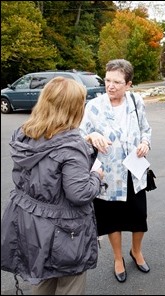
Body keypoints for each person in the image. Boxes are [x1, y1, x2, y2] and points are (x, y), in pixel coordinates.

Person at [1, 77, 105, 295]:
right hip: (65, 231)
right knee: (70, 285)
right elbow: (80, 193)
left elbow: (51, 154)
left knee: (41, 276)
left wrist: (85, 144)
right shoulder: (72, 145)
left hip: (31, 224)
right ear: (74, 107)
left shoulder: (25, 133)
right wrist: (96, 175)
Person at [80, 58, 152, 283]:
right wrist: (91, 136)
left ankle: (136, 251)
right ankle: (118, 258)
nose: (110, 86)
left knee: (139, 217)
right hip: (107, 175)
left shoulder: (136, 101)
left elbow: (146, 130)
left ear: (129, 84)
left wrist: (145, 143)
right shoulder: (93, 106)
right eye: (108, 80)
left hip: (134, 171)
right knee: (114, 220)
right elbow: (80, 135)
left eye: (117, 82)